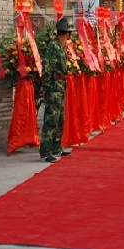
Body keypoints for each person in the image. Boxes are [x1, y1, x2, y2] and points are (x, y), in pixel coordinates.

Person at [39, 17, 75, 164]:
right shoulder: (53, 46)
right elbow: (47, 68)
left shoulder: (60, 46)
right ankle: (45, 151)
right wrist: (46, 87)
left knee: (60, 119)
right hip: (54, 87)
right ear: (67, 33)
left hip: (60, 86)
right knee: (51, 120)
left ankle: (56, 148)